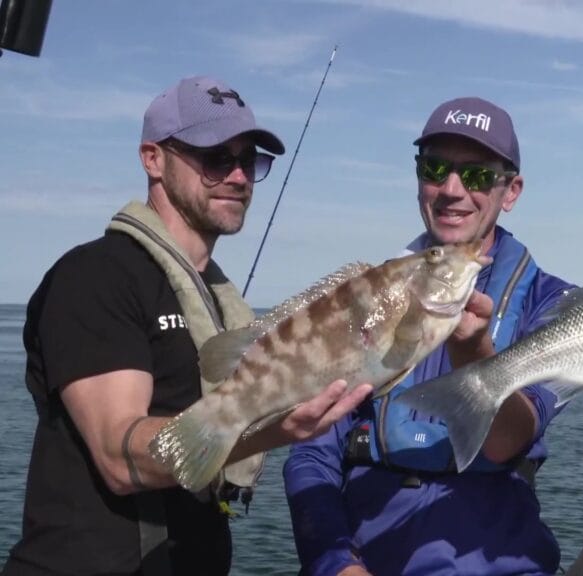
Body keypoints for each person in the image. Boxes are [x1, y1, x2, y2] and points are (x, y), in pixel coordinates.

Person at [3, 76, 372, 576]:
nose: (238, 176)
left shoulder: (219, 305)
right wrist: (267, 430)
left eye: (248, 160)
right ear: (153, 158)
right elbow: (117, 456)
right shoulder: (96, 277)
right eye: (216, 157)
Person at [284, 96, 575, 576]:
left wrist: (472, 354)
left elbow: (508, 442)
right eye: (435, 168)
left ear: (512, 190)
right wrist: (335, 563)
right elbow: (311, 455)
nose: (452, 189)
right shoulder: (365, 298)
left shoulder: (554, 303)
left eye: (478, 175)